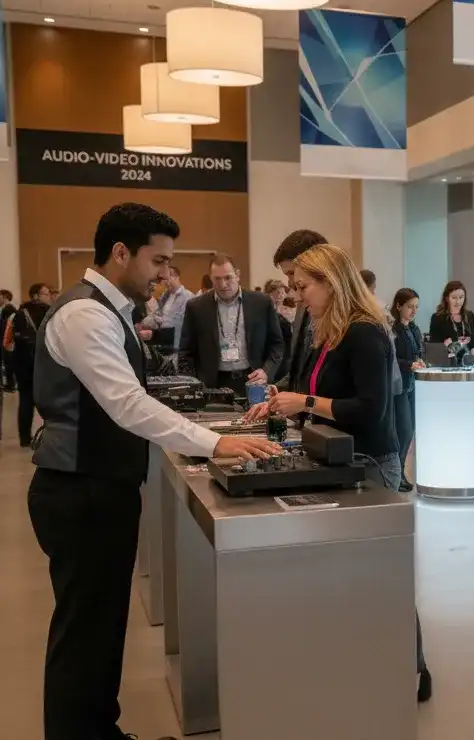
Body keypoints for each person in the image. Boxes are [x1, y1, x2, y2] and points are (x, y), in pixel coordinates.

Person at [27, 202, 279, 740]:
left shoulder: (106, 311)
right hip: (81, 490)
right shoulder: (85, 314)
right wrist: (216, 442)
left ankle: (99, 727)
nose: (165, 275)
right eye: (158, 261)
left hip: (100, 486)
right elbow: (128, 405)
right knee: (84, 633)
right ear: (121, 253)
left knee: (101, 629)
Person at [246, 244, 434, 703]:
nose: (298, 295)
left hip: (370, 463)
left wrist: (305, 403)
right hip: (336, 458)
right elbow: (314, 390)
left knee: (380, 573)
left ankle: (412, 669)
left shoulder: (365, 332)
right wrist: (283, 396)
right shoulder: (327, 331)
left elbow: (371, 409)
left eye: (303, 286)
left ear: (331, 282)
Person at [177, 254, 285, 395]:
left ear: (237, 275)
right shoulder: (196, 307)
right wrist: (193, 384)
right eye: (217, 279)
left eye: (228, 277)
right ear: (211, 278)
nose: (223, 284)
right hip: (212, 385)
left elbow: (277, 345)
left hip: (252, 380)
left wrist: (266, 371)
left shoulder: (261, 303)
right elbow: (185, 352)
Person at [271, 229, 329, 390]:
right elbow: (300, 370)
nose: (290, 283)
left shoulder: (357, 323)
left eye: (291, 273)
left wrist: (306, 403)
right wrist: (274, 393)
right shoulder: (303, 307)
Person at [4, 282, 55, 447]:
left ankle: (24, 438)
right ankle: (50, 436)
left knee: (25, 400)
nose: (49, 297)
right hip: (43, 363)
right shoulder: (49, 312)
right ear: (36, 295)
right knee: (48, 400)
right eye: (46, 293)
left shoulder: (19, 313)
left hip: (22, 364)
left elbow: (9, 341)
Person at [391, 288, 426, 490]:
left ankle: (401, 471)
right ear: (399, 306)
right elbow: (393, 358)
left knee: (410, 429)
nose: (413, 311)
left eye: (416, 307)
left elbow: (418, 351)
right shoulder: (393, 330)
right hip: (399, 385)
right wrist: (409, 364)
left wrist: (419, 361)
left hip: (413, 384)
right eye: (410, 307)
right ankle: (397, 472)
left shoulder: (414, 329)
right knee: (403, 430)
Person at [136, 265, 192, 354]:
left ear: (176, 277)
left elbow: (179, 323)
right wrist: (143, 324)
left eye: (168, 279)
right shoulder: (165, 295)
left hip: (175, 342)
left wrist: (159, 322)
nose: (166, 283)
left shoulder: (187, 297)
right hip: (162, 339)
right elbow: (157, 314)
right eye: (164, 280)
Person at [427, 280, 474, 363]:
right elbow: (434, 346)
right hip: (446, 363)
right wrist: (445, 344)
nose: (458, 302)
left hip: (467, 363)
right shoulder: (437, 318)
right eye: (454, 298)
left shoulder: (470, 316)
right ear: (447, 298)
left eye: (461, 297)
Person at [1, 288, 16, 391]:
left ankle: (10, 384)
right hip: (6, 339)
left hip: (6, 340)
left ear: (5, 297)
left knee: (8, 362)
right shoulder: (9, 309)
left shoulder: (8, 309)